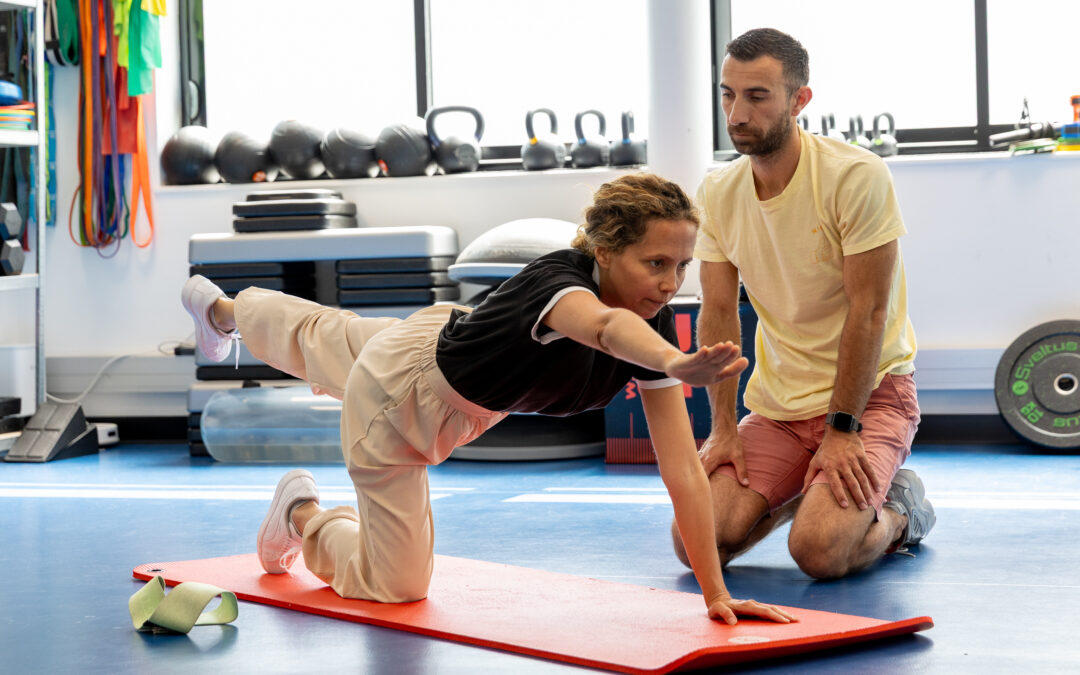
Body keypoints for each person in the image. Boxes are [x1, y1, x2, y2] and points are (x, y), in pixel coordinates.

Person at [182, 173, 794, 625]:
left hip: (436, 339)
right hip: (404, 407)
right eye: (655, 261)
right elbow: (604, 329)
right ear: (604, 252)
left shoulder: (652, 323)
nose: (670, 282)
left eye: (682, 265)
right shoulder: (563, 283)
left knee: (328, 337)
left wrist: (715, 592)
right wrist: (674, 362)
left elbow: (682, 469)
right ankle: (304, 516)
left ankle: (219, 308)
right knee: (395, 586)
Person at [671, 28, 935, 580]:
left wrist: (843, 430)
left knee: (819, 553)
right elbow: (718, 315)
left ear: (799, 100)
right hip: (781, 407)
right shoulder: (719, 192)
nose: (737, 112)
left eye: (757, 96)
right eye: (727, 94)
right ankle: (809, 496)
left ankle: (900, 511)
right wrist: (722, 429)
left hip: (870, 399)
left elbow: (868, 311)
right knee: (695, 543)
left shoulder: (855, 176)